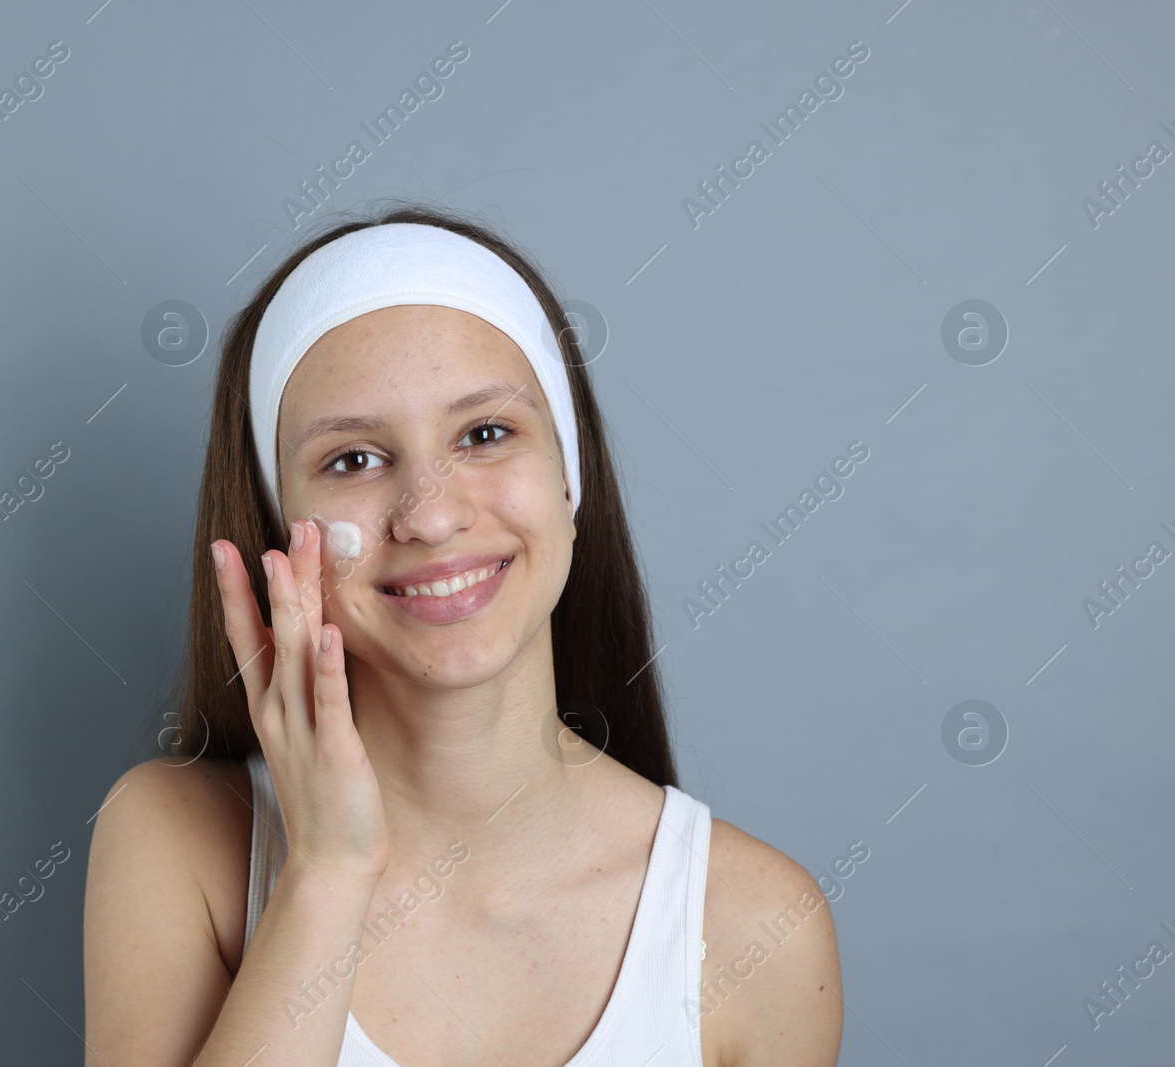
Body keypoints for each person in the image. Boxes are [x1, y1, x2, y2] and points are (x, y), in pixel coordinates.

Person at [83, 203, 843, 1066]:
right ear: (278, 527)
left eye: (486, 434)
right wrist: (328, 873)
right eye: (354, 459)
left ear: (570, 482)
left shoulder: (758, 929)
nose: (433, 515)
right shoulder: (175, 843)